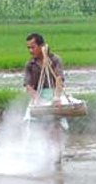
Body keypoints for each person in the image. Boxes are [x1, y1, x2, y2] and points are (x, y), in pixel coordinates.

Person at [24, 33, 68, 164]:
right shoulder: (30, 64)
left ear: (41, 46)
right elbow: (28, 86)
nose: (31, 50)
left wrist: (57, 97)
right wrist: (37, 99)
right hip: (39, 96)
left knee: (55, 125)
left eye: (33, 47)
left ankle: (57, 157)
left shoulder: (54, 59)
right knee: (38, 126)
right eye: (28, 48)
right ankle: (43, 155)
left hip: (54, 95)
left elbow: (59, 79)